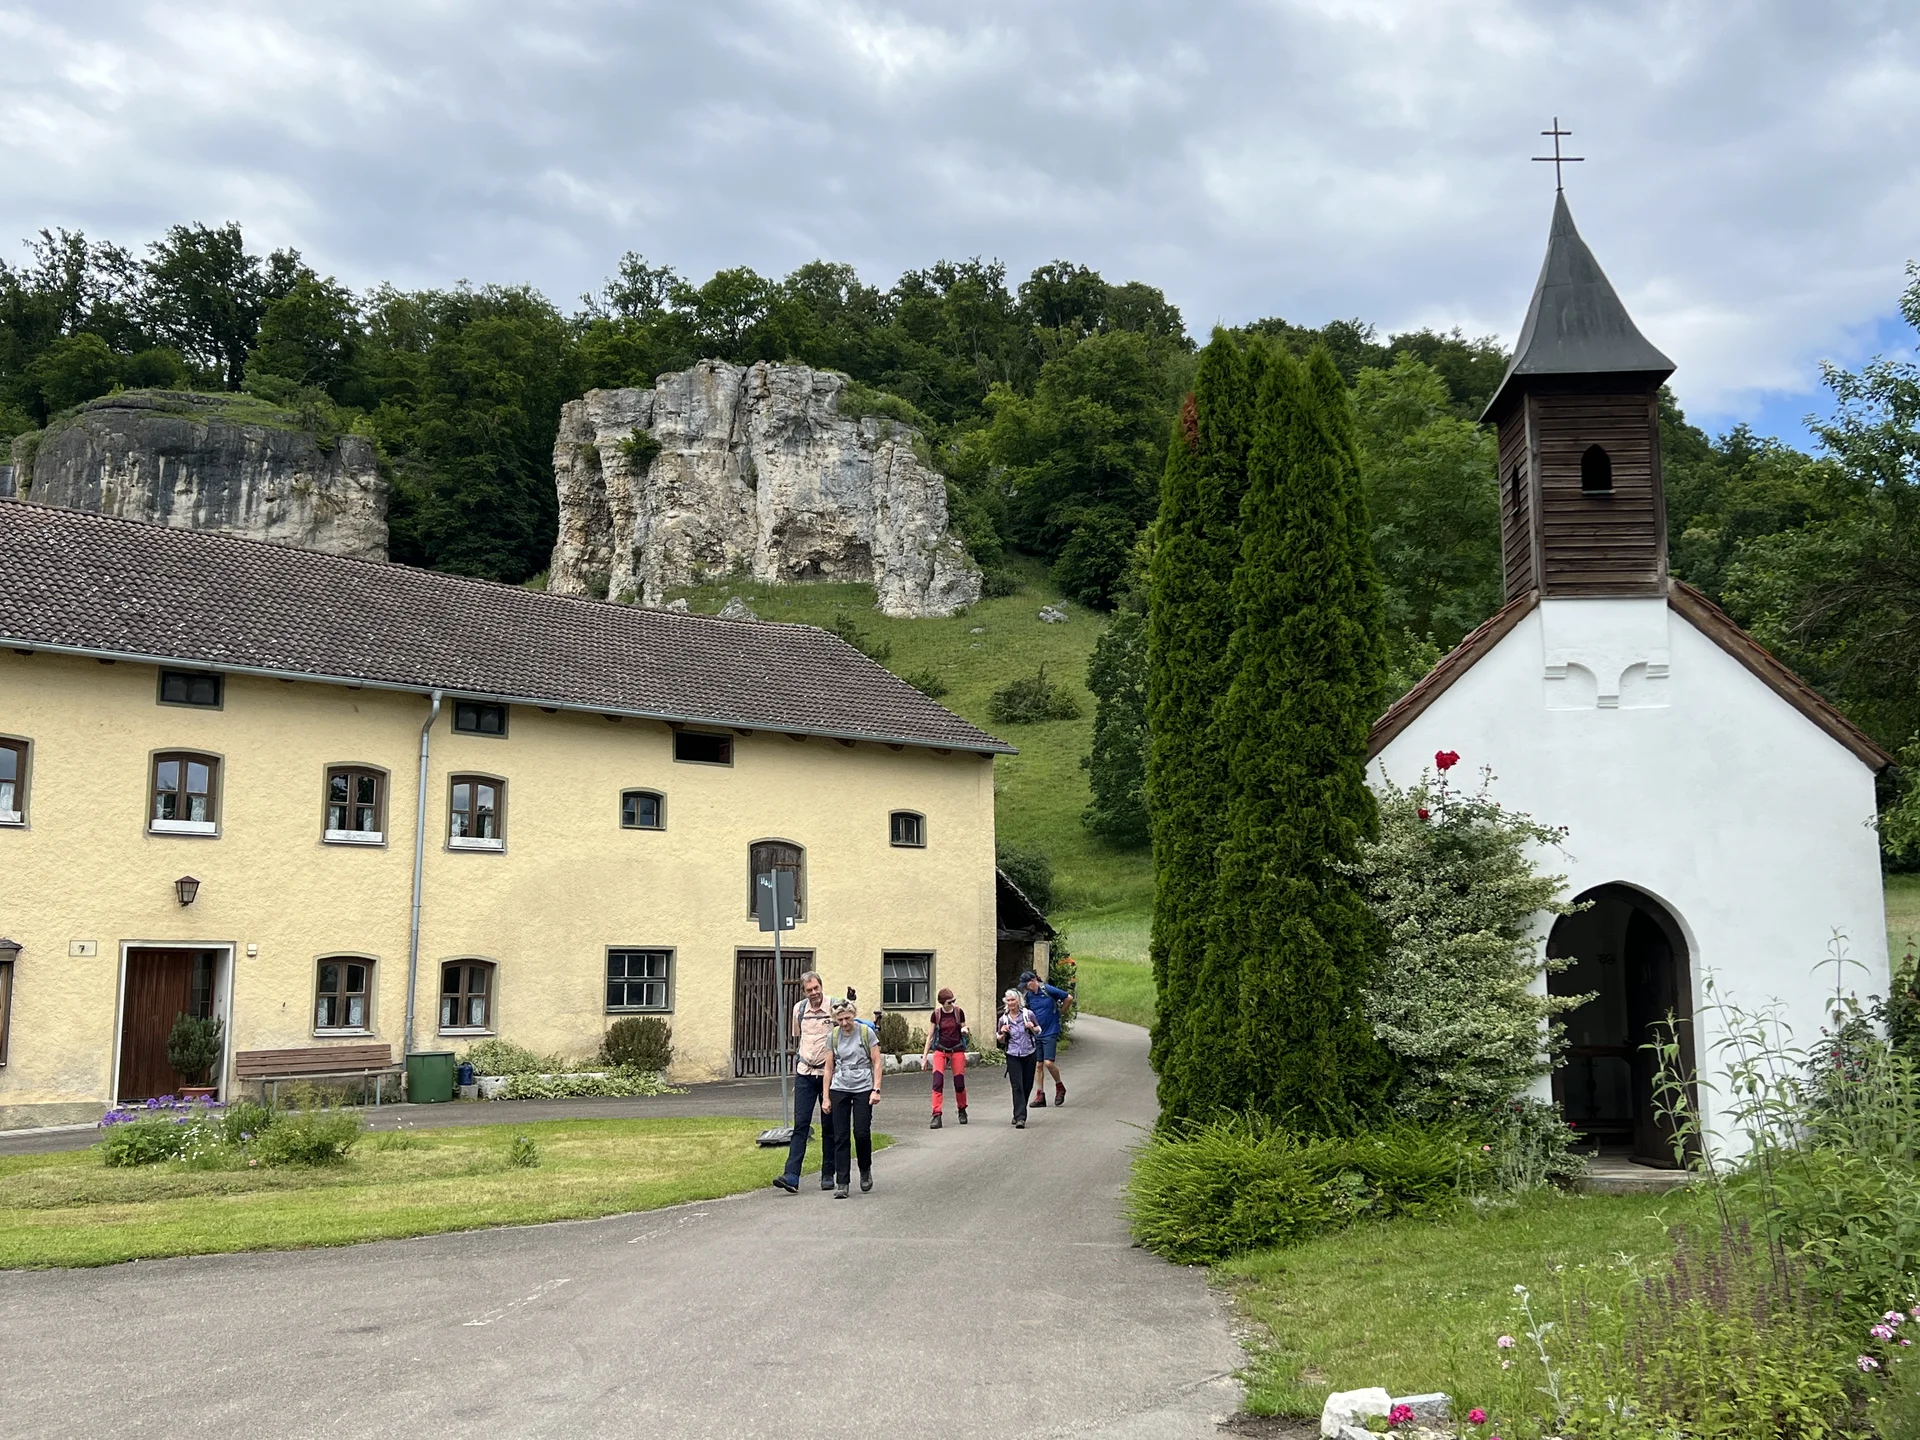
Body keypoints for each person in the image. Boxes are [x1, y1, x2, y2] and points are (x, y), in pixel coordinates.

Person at [773, 971, 836, 1195]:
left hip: (829, 1075)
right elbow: (798, 1037)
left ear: (821, 986)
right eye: (809, 990)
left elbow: (846, 1030)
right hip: (804, 1074)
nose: (814, 993)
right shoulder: (799, 1010)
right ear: (804, 992)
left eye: (816, 988)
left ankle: (828, 1174)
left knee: (829, 1125)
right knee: (800, 1125)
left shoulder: (834, 1007)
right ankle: (791, 1176)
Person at [821, 997, 882, 1197]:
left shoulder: (866, 1033)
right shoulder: (834, 1036)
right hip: (840, 1086)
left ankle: (865, 1170)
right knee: (840, 1136)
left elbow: (877, 1062)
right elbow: (828, 1067)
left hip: (863, 1086)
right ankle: (842, 1182)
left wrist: (876, 1089)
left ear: (853, 1015)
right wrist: (826, 1097)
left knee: (862, 1133)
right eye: (840, 1020)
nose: (845, 1023)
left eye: (847, 1018)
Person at [1021, 968, 1073, 1108]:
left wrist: (1061, 1012)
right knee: (1038, 1065)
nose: (1025, 988)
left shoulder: (1047, 990)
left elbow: (1068, 997)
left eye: (1026, 984)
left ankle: (1059, 1087)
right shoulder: (1029, 996)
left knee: (1048, 1063)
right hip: (1036, 1033)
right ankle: (1040, 1095)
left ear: (1032, 981)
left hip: (1050, 1031)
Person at [920, 987, 969, 1128]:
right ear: (942, 1003)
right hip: (940, 1051)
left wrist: (965, 1031)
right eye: (949, 1002)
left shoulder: (959, 1012)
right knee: (937, 1083)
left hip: (957, 1050)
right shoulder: (936, 1015)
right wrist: (924, 1057)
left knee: (959, 1083)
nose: (952, 1003)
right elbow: (930, 1037)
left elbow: (964, 1028)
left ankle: (962, 1109)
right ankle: (936, 1115)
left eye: (953, 1000)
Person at [997, 988, 1041, 1128]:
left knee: (1027, 1085)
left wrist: (1032, 1027)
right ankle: (1020, 1117)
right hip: (1012, 1054)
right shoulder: (1003, 1019)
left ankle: (1019, 1110)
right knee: (1017, 1086)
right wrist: (1003, 1033)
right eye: (1008, 1000)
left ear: (1018, 1001)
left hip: (1029, 1053)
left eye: (1013, 1000)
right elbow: (1000, 1039)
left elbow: (1039, 1030)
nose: (1011, 1003)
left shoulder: (1028, 1014)